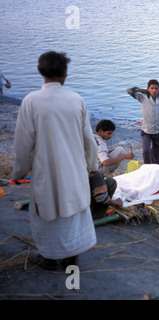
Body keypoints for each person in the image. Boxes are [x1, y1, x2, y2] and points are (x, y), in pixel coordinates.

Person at [12, 51, 98, 270]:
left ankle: (49, 257)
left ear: (41, 71)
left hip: (46, 171)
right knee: (73, 212)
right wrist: (92, 166)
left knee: (47, 215)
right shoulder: (76, 99)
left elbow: (22, 143)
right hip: (74, 169)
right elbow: (89, 139)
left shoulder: (31, 101)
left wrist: (18, 173)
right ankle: (72, 256)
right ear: (65, 72)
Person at [126, 79, 159, 164]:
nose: (154, 90)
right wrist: (143, 90)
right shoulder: (142, 97)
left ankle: (157, 170)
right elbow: (129, 90)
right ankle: (147, 169)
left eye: (156, 88)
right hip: (146, 132)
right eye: (152, 88)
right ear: (148, 89)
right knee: (146, 151)